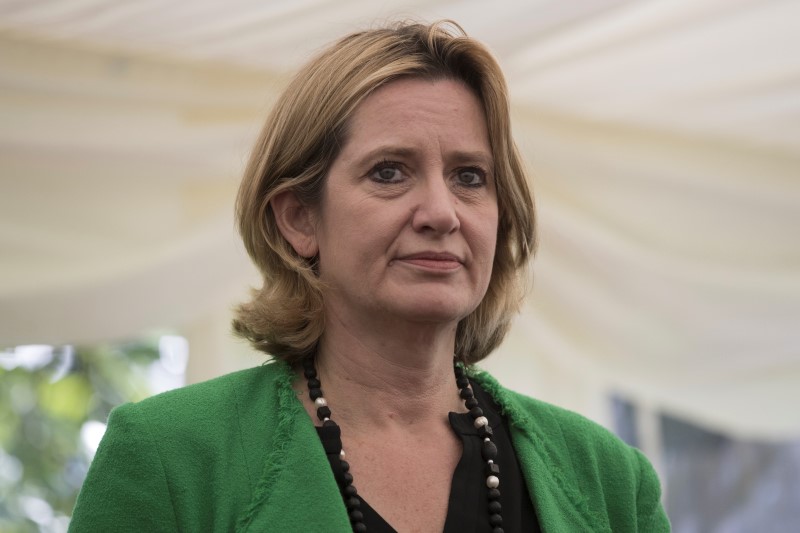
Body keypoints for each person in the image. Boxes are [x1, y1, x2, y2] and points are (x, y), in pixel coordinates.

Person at [69, 21, 670, 532]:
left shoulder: (611, 479)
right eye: (389, 172)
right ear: (299, 219)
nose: (441, 212)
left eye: (469, 177)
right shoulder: (167, 457)